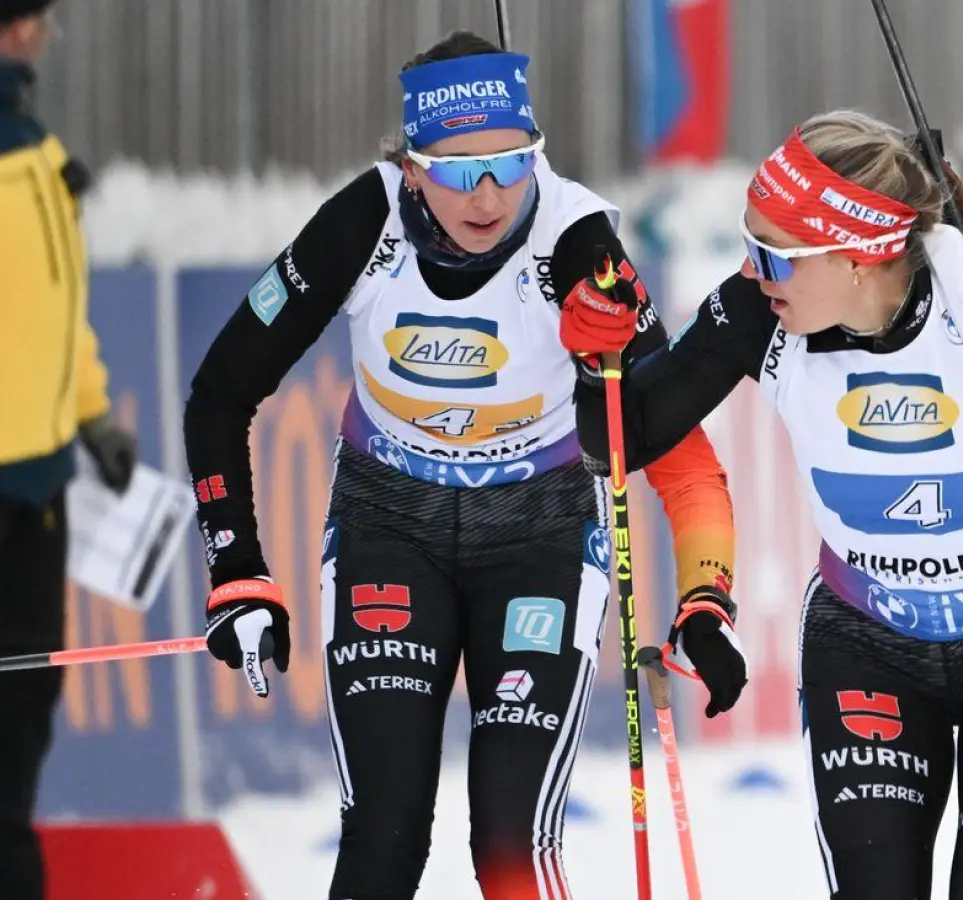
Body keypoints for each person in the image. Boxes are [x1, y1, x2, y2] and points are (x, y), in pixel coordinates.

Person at [559, 110, 963, 899]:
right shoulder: (758, 311)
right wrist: (595, 353)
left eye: (773, 253)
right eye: (747, 243)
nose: (752, 270)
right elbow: (619, 441)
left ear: (860, 255)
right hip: (867, 642)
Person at [183, 29, 745, 900]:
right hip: (387, 524)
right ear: (410, 168)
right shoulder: (361, 224)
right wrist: (236, 569)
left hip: (541, 537)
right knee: (383, 834)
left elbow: (675, 450)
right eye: (455, 171)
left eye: (511, 164)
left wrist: (707, 594)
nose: (486, 195)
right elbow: (220, 393)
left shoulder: (576, 243)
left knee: (511, 846)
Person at [0, 0, 138, 896]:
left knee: (17, 717)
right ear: (9, 25)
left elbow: (49, 306)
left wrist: (92, 415)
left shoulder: (20, 125)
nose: (46, 33)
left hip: (36, 480)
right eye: (39, 17)